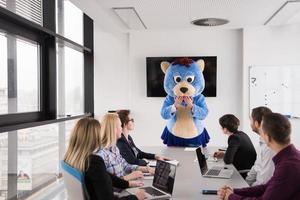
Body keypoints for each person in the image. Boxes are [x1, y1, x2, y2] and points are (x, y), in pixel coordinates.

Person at [218, 113, 300, 200]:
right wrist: (235, 191)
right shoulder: (290, 157)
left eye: (261, 132)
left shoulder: (287, 166)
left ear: (267, 137)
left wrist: (231, 197)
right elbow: (266, 188)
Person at [63, 117, 146, 200]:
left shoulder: (71, 159)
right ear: (94, 137)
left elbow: (106, 176)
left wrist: (127, 184)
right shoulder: (93, 162)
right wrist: (135, 197)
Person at [97, 113, 155, 181]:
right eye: (119, 126)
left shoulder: (114, 148)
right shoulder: (101, 155)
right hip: (118, 190)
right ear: (113, 129)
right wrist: (129, 177)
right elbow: (108, 183)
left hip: (124, 186)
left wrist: (147, 169)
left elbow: (125, 166)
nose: (121, 128)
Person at [246, 107, 275, 186]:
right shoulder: (262, 143)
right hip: (254, 187)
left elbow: (264, 182)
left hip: (260, 192)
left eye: (250, 120)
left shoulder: (269, 148)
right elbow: (256, 167)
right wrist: (244, 185)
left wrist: (245, 191)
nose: (250, 123)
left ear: (256, 123)